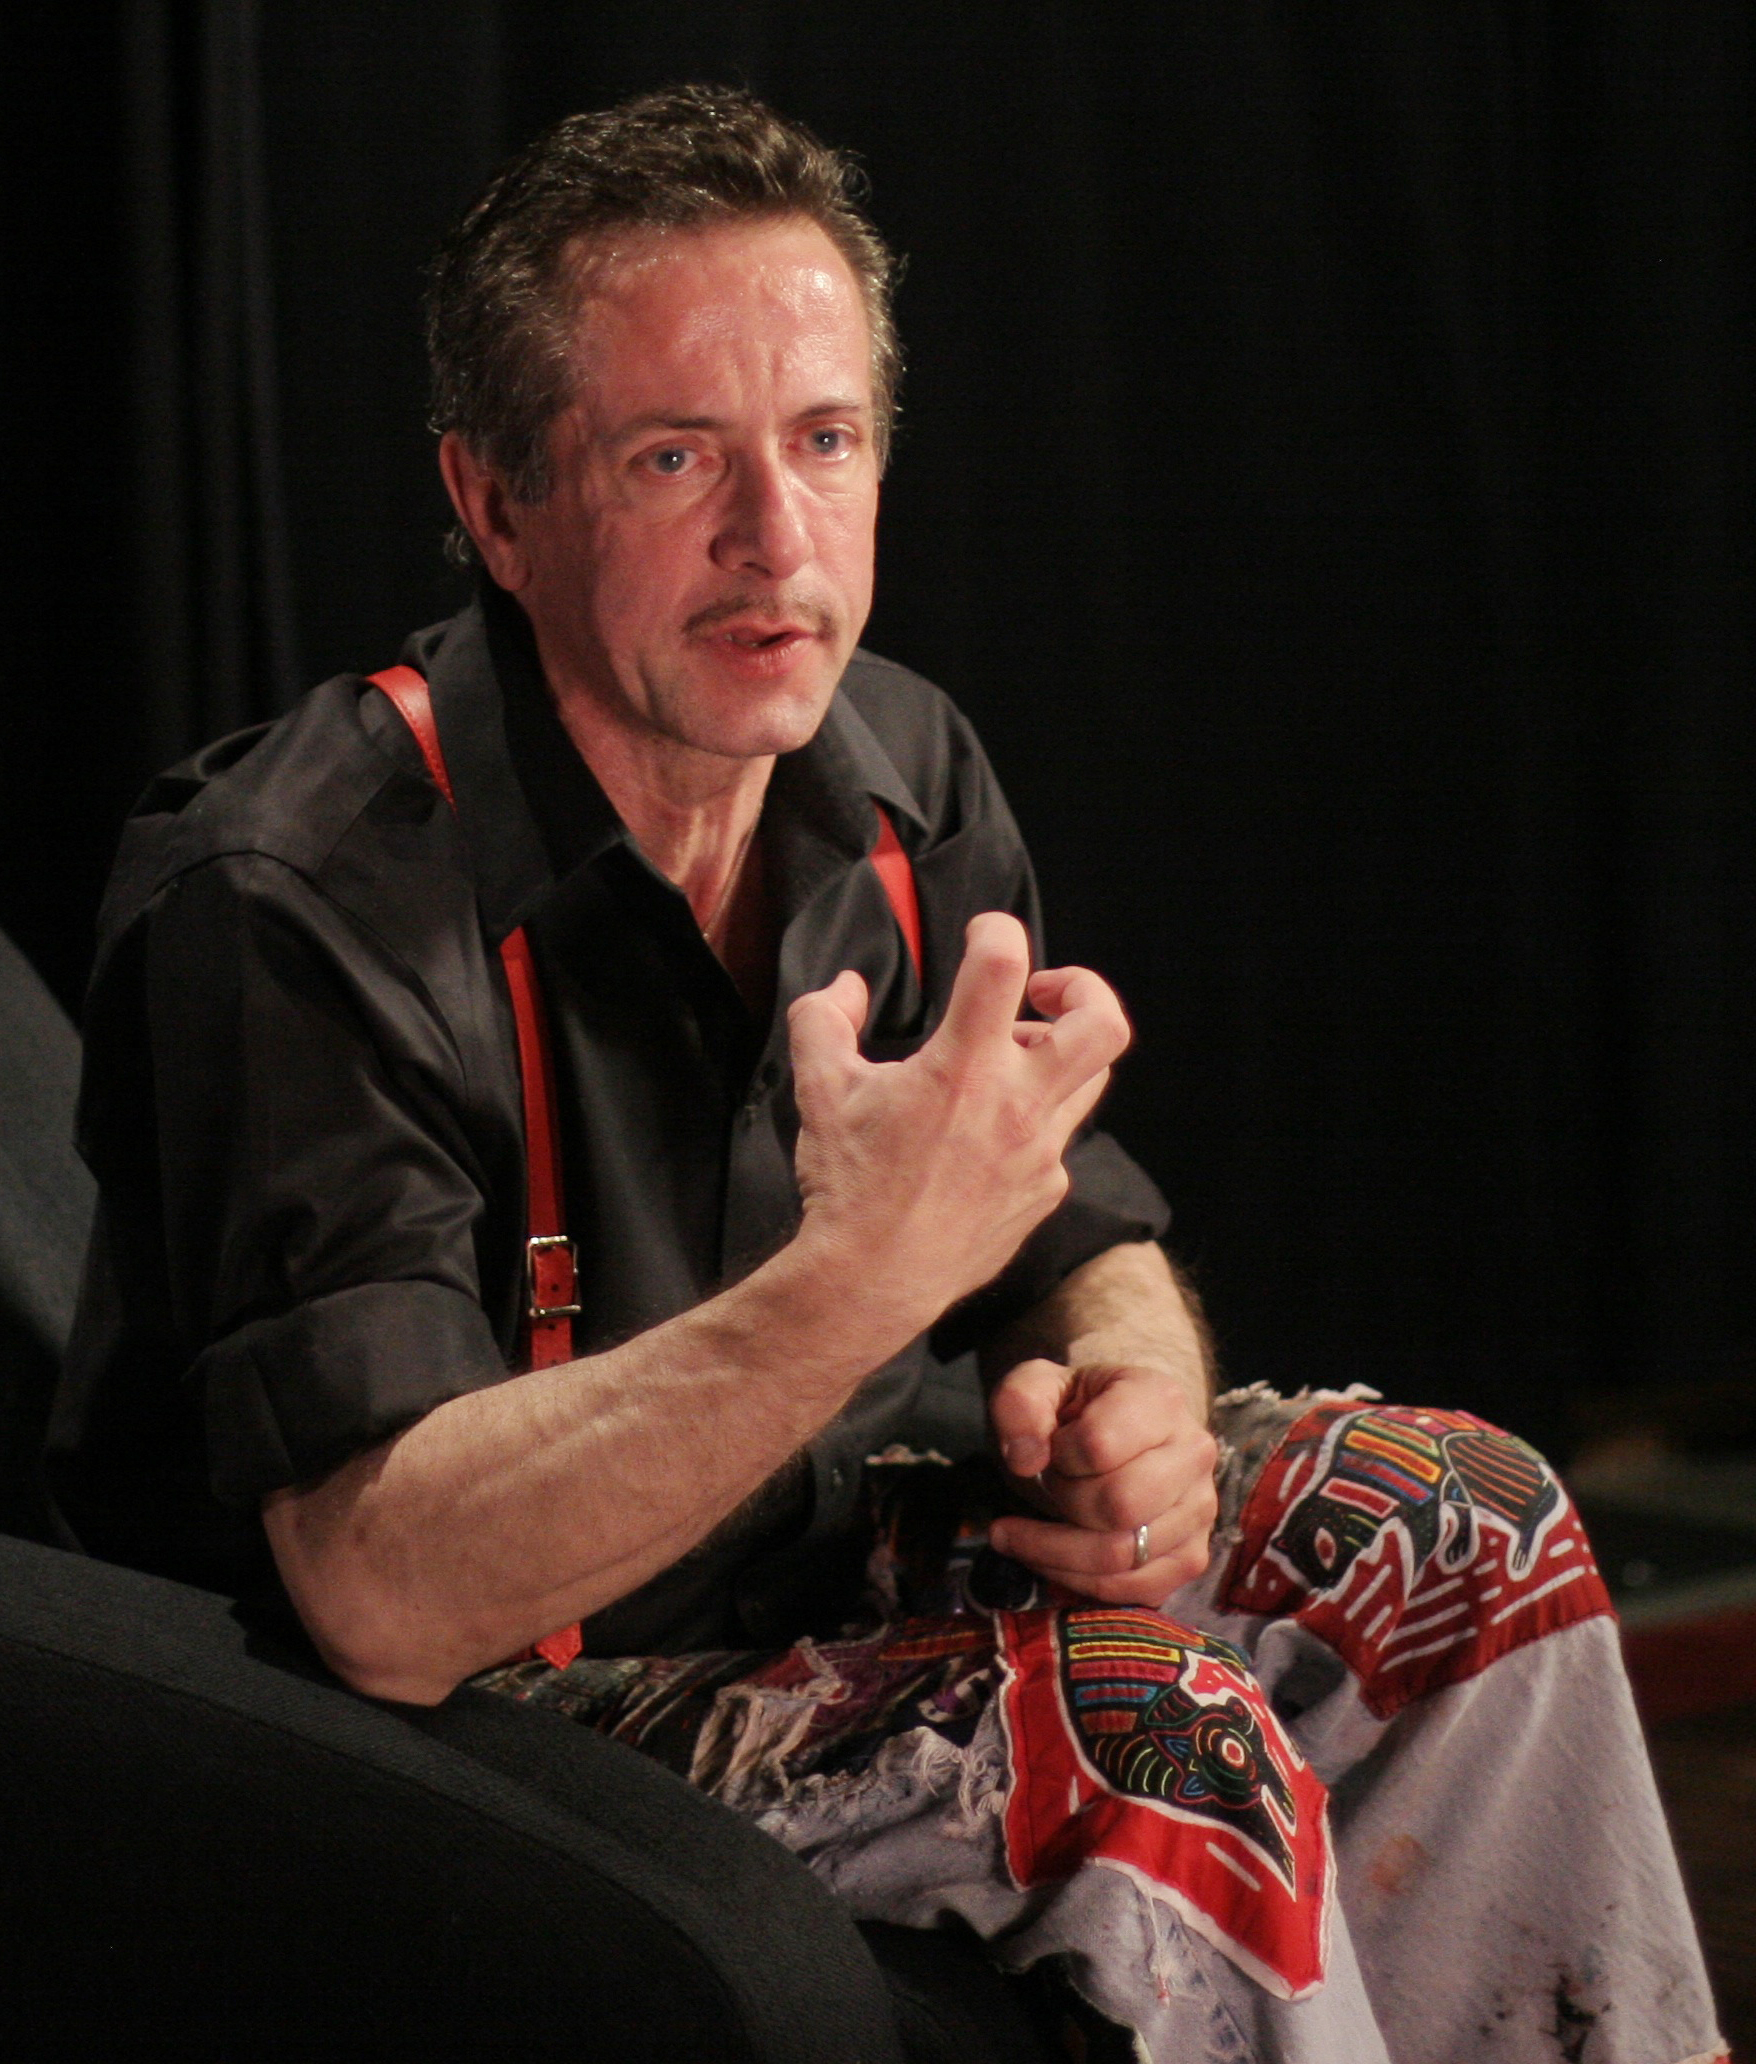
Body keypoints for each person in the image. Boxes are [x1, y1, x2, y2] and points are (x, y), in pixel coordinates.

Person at [51, 87, 1724, 2064]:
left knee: (1461, 1521)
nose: (776, 541)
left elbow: (1075, 1233)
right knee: (1154, 1745)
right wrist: (850, 1283)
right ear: (495, 504)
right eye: (674, 456)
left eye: (823, 443)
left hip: (817, 1564)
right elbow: (383, 1595)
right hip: (455, 1701)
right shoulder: (292, 891)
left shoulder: (900, 773)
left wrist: (1144, 1425)